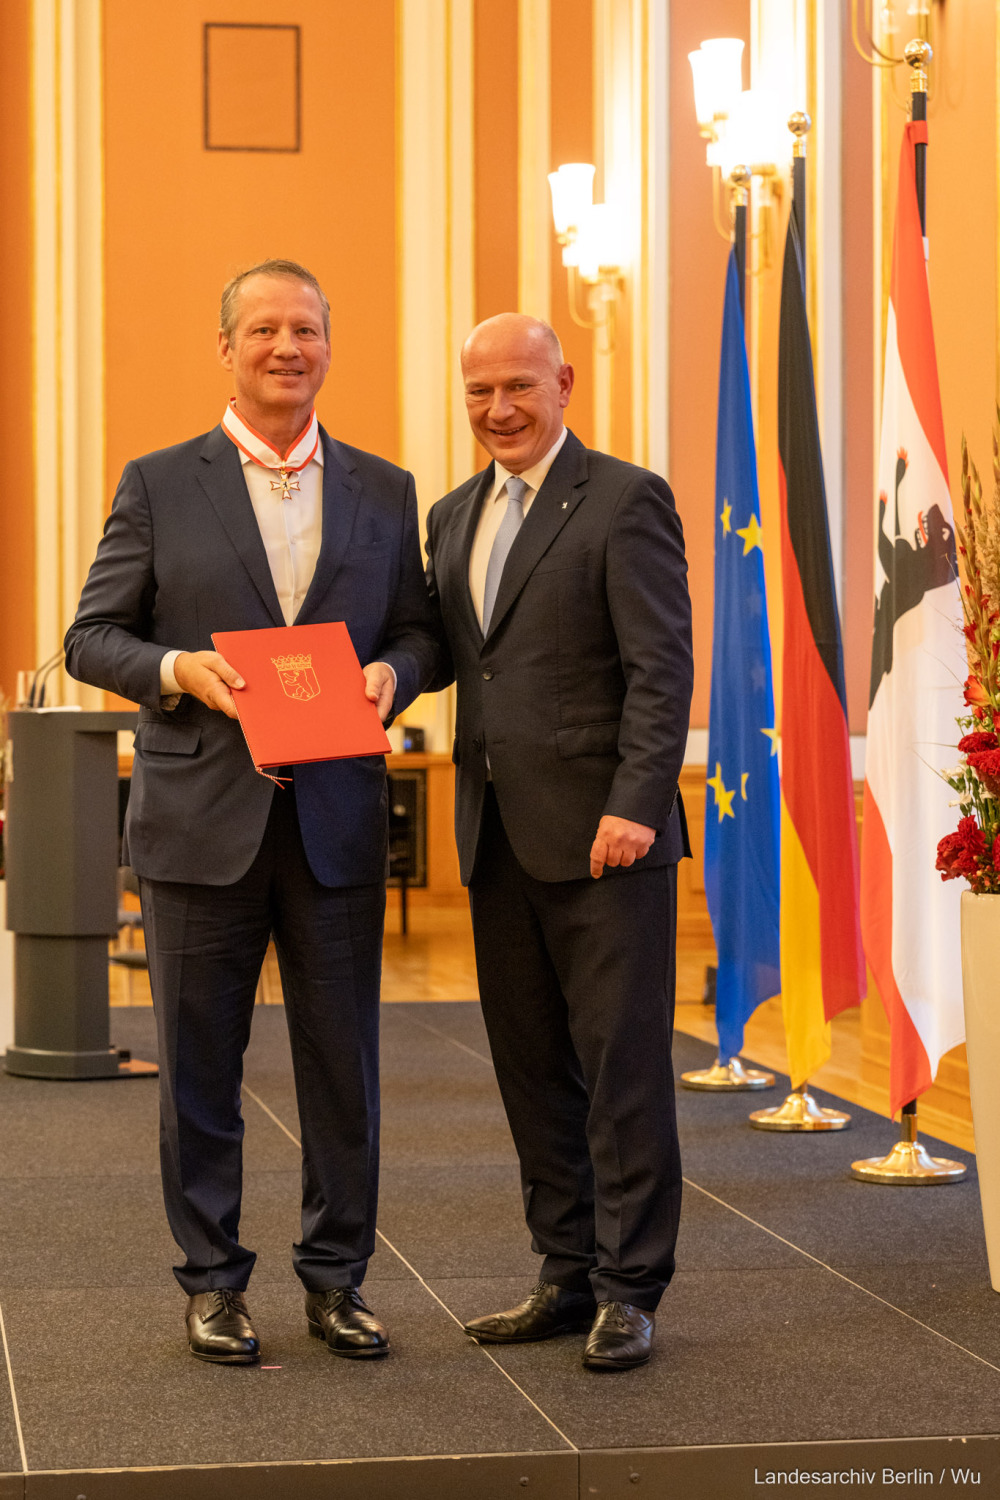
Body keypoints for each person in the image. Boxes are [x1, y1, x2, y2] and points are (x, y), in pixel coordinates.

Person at [65, 259, 438, 1365]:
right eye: (265, 329)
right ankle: (213, 1280)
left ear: (330, 346)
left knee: (344, 1068)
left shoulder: (385, 489)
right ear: (224, 347)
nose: (288, 347)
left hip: (333, 823)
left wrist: (394, 677)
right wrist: (180, 667)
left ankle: (337, 1279)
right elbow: (93, 636)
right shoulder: (157, 481)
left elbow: (422, 633)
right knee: (197, 1070)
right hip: (198, 827)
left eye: (308, 329)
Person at [424, 313, 693, 1372]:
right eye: (480, 392)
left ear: (564, 382)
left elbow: (660, 666)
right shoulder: (451, 517)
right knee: (532, 1069)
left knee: (619, 1068)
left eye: (518, 388)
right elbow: (450, 657)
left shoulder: (625, 499)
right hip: (495, 836)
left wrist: (636, 800)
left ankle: (631, 1288)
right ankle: (564, 1270)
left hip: (604, 840)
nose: (499, 410)